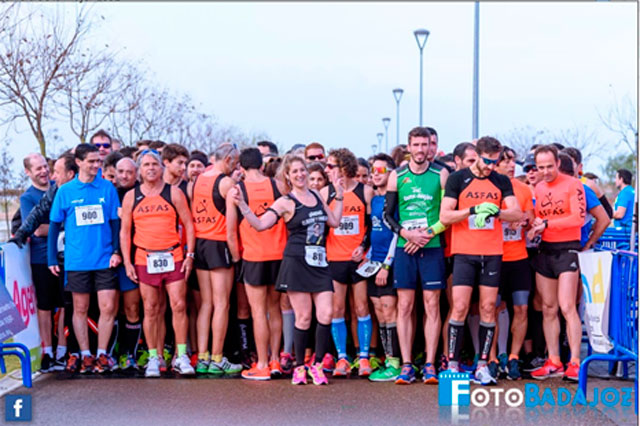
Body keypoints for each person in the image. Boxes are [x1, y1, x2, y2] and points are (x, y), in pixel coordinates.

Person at [230, 155, 344, 385]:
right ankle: (300, 366)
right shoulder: (285, 202)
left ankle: (318, 365)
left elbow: (334, 222)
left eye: (303, 170)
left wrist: (339, 195)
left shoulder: (315, 196)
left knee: (326, 314)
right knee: (303, 317)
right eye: (295, 172)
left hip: (320, 263)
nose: (301, 175)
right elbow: (261, 224)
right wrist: (242, 204)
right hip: (297, 262)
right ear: (288, 177)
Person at [440, 136, 521, 385]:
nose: (490, 166)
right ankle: (452, 363)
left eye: (495, 162)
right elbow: (445, 216)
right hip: (465, 253)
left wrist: (497, 211)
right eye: (487, 161)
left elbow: (517, 213)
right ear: (478, 155)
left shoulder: (501, 180)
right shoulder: (458, 178)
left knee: (488, 308)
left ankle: (483, 365)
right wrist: (473, 210)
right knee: (461, 307)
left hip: (492, 254)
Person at [383, 127, 449, 385]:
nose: (421, 150)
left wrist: (425, 235)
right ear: (408, 147)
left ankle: (430, 364)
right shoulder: (396, 176)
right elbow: (387, 216)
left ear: (431, 146)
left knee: (432, 305)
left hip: (432, 246)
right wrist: (407, 234)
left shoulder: (441, 174)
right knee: (405, 306)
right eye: (416, 145)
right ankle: (407, 364)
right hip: (405, 247)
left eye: (425, 144)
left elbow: (447, 215)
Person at [120, 150, 195, 377]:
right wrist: (127, 262)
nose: (151, 168)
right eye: (146, 165)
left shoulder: (173, 193)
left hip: (173, 256)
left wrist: (189, 255)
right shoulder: (131, 196)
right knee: (151, 308)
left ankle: (181, 355)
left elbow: (189, 225)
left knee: (178, 305)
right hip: (145, 257)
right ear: (139, 170)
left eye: (154, 164)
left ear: (161, 167)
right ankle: (154, 356)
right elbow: (124, 232)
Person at [47, 144, 121, 374]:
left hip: (104, 258)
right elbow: (54, 226)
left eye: (98, 161)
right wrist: (51, 258)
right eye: (91, 161)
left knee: (107, 307)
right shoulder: (65, 191)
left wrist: (116, 251)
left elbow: (115, 223)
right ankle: (85, 354)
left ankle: (102, 354)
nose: (96, 165)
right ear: (78, 162)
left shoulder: (107, 188)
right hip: (77, 261)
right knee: (80, 308)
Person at [225, 148, 287, 380]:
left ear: (240, 166)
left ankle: (261, 363)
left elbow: (231, 232)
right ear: (262, 164)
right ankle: (275, 361)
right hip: (279, 255)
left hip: (253, 256)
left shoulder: (236, 191)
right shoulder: (278, 186)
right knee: (275, 310)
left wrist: (237, 259)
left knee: (258, 312)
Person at [527, 144, 586, 382]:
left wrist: (548, 225)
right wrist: (533, 228)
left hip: (567, 250)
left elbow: (578, 218)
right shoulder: (539, 187)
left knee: (567, 307)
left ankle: (575, 362)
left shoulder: (573, 184)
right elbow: (539, 216)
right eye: (541, 167)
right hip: (545, 250)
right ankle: (553, 360)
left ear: (558, 163)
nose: (546, 171)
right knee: (548, 308)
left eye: (550, 166)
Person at [189, 143, 243, 375]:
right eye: (236, 161)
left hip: (201, 241)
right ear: (229, 159)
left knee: (207, 304)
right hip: (219, 242)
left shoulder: (198, 179)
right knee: (222, 303)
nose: (236, 166)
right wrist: (237, 256)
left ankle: (202, 357)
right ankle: (218, 358)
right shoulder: (226, 183)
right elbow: (231, 229)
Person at [322, 148, 374, 377]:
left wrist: (363, 247)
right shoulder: (325, 193)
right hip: (334, 258)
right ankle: (342, 358)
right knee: (337, 309)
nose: (326, 170)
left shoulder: (366, 192)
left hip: (358, 259)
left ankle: (363, 358)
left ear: (343, 168)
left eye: (330, 166)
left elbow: (373, 226)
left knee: (361, 307)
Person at [493, 147, 535, 380]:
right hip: (494, 258)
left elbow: (531, 219)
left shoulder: (523, 189)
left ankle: (514, 357)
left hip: (518, 258)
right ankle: (493, 357)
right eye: (505, 161)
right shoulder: (489, 188)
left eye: (513, 161)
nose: (511, 165)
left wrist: (525, 222)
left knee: (521, 308)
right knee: (492, 309)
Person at [20, 153, 64, 372]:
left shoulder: (61, 188)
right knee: (45, 306)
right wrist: (67, 228)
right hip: (41, 259)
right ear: (28, 172)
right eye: (37, 168)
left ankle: (64, 351)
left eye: (45, 166)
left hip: (67, 256)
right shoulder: (28, 198)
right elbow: (37, 229)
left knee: (67, 304)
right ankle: (47, 352)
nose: (43, 171)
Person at [365, 154, 402, 382]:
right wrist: (366, 254)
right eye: (373, 170)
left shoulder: (394, 200)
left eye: (381, 170)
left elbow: (396, 234)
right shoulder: (373, 199)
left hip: (390, 263)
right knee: (379, 311)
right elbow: (372, 232)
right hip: (373, 263)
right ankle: (388, 358)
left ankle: (396, 362)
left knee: (390, 311)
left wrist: (386, 265)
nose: (375, 175)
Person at [114, 157, 143, 370]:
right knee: (109, 309)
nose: (124, 176)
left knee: (132, 308)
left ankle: (128, 354)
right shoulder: (107, 192)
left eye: (129, 172)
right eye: (120, 171)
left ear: (136, 174)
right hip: (107, 259)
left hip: (133, 260)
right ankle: (110, 354)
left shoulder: (143, 194)